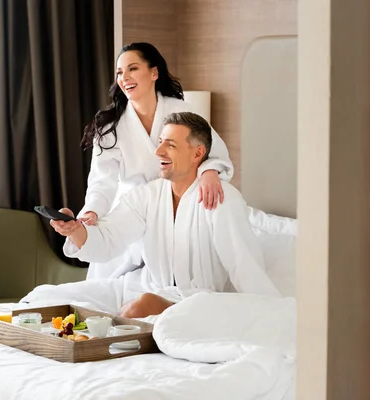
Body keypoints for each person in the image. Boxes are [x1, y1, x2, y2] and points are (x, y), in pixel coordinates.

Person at [21, 112, 280, 318]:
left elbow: (243, 265)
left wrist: (272, 315)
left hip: (198, 301)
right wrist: (75, 229)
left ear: (197, 154)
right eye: (159, 143)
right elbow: (110, 237)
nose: (158, 152)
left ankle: (101, 336)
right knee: (43, 298)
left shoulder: (220, 197)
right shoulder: (148, 195)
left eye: (170, 145)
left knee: (140, 308)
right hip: (144, 287)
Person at [77, 42, 234, 280]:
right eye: (120, 72)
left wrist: (209, 171)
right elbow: (102, 181)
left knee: (174, 278)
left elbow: (213, 151)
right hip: (131, 208)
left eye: (132, 68)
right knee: (109, 286)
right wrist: (93, 210)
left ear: (154, 72)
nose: (124, 77)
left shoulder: (182, 111)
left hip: (173, 206)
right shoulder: (110, 127)